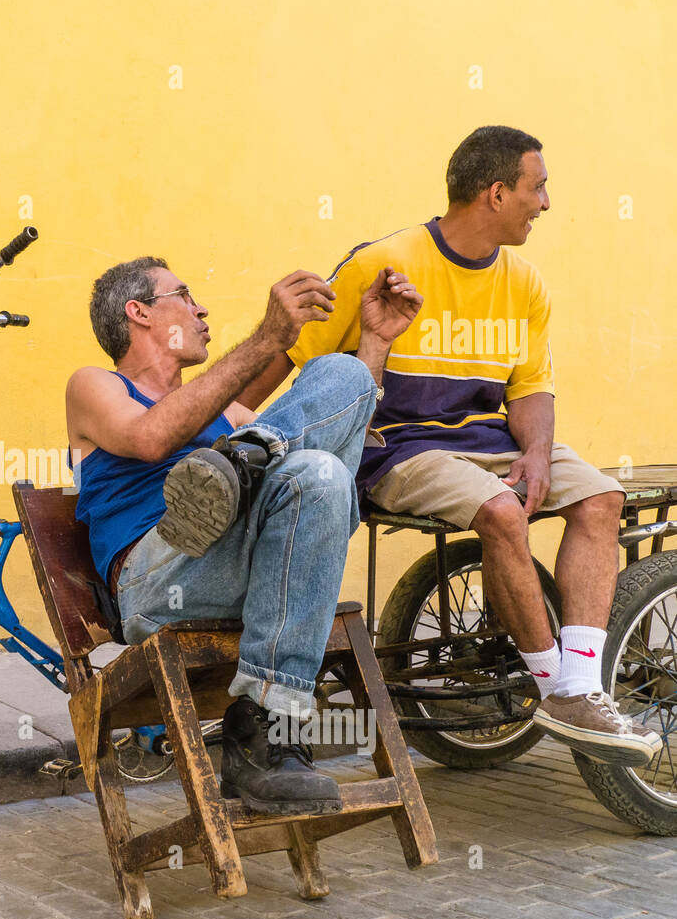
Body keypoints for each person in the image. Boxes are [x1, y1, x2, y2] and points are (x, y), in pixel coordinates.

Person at [240, 125, 660, 767]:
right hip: (397, 450)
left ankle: (578, 685)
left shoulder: (526, 283)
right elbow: (292, 361)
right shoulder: (382, 262)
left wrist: (539, 452)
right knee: (500, 511)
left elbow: (532, 390)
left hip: (484, 442)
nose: (545, 203)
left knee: (602, 497)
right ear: (496, 193)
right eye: (537, 187)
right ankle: (557, 692)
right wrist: (222, 428)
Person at [65, 257, 421, 813]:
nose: (201, 307)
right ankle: (236, 467)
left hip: (243, 570)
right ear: (138, 313)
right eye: (184, 294)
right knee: (307, 465)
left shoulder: (227, 413)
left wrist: (374, 342)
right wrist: (267, 339)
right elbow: (152, 438)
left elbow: (340, 432)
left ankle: (262, 733)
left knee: (334, 422)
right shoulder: (96, 385)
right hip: (159, 579)